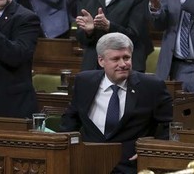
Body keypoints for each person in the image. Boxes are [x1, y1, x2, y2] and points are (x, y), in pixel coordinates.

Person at [60, 32, 173, 174]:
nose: (123, 64)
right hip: (88, 163)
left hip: (132, 166)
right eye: (116, 59)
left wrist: (152, 150)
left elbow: (170, 125)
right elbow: (71, 119)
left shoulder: (151, 86)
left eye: (126, 58)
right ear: (101, 61)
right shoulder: (84, 81)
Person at [75, 0, 153, 72]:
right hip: (94, 66)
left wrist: (109, 26)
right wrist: (89, 31)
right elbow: (81, 38)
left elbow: (135, 36)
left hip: (126, 66)